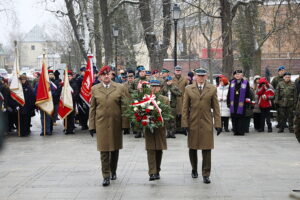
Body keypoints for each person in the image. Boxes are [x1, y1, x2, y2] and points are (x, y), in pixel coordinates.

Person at [89, 66, 127, 187]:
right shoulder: (95, 89)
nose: (106, 76)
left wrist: (125, 124)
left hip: (116, 123)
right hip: (101, 124)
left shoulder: (120, 88)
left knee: (114, 149)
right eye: (103, 74)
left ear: (111, 75)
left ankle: (113, 170)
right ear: (100, 76)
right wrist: (91, 125)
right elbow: (92, 108)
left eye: (108, 74)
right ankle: (105, 176)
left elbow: (124, 107)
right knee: (104, 150)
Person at [182, 68, 221, 184]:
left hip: (206, 123)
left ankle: (206, 174)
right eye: (199, 76)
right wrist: (184, 124)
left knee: (207, 149)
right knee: (192, 148)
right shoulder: (188, 89)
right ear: (195, 76)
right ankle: (194, 168)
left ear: (206, 76)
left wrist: (218, 124)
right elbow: (185, 108)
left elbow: (216, 108)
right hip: (193, 122)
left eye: (203, 76)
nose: (201, 78)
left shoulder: (212, 88)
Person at [145, 79, 168, 181]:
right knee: (150, 149)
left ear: (160, 88)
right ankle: (152, 172)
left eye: (156, 86)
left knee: (159, 149)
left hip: (160, 128)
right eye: (152, 86)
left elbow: (167, 114)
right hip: (149, 128)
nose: (154, 88)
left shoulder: (165, 99)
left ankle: (157, 170)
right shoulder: (145, 98)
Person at [227, 70, 250, 136]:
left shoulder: (245, 82)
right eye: (236, 74)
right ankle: (235, 131)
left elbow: (248, 93)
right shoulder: (232, 82)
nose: (237, 75)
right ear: (234, 76)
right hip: (233, 103)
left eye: (239, 74)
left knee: (241, 117)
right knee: (234, 117)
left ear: (242, 75)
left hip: (242, 103)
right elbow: (229, 93)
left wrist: (247, 103)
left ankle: (241, 131)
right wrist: (228, 102)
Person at [131, 66, 148, 138]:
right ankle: (138, 131)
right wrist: (136, 91)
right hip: (138, 100)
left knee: (146, 115)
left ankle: (145, 131)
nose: (142, 73)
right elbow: (130, 89)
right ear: (139, 73)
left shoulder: (148, 80)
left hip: (146, 100)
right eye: (141, 72)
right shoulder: (135, 81)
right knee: (137, 115)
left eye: (143, 72)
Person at [172, 65, 188, 135]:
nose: (178, 72)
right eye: (176, 70)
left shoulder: (185, 79)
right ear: (174, 71)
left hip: (182, 99)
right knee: (174, 114)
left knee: (182, 114)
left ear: (181, 71)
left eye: (179, 70)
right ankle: (175, 129)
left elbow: (187, 89)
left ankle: (182, 129)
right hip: (173, 99)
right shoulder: (171, 79)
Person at [64, 70, 79, 135]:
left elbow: (76, 93)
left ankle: (71, 129)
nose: (69, 77)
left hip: (72, 102)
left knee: (71, 116)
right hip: (65, 102)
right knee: (66, 116)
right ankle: (66, 128)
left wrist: (71, 99)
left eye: (70, 76)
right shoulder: (64, 84)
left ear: (72, 77)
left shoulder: (74, 84)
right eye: (67, 76)